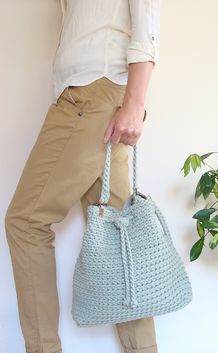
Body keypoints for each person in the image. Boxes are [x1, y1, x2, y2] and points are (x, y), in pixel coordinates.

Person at [4, 0, 161, 352]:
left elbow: (147, 15)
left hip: (91, 96)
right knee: (120, 241)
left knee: (25, 222)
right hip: (98, 96)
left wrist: (135, 104)